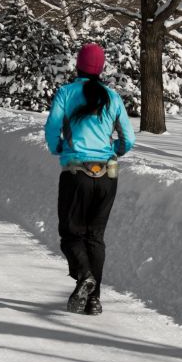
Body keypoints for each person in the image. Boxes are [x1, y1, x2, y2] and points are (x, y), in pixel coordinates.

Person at [44, 43, 135, 315]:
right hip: (108, 174)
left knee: (71, 233)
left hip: (76, 171)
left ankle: (85, 277)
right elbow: (128, 139)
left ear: (78, 65)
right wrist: (116, 150)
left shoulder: (66, 93)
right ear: (101, 68)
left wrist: (58, 147)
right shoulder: (113, 97)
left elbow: (52, 129)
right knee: (95, 236)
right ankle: (93, 300)